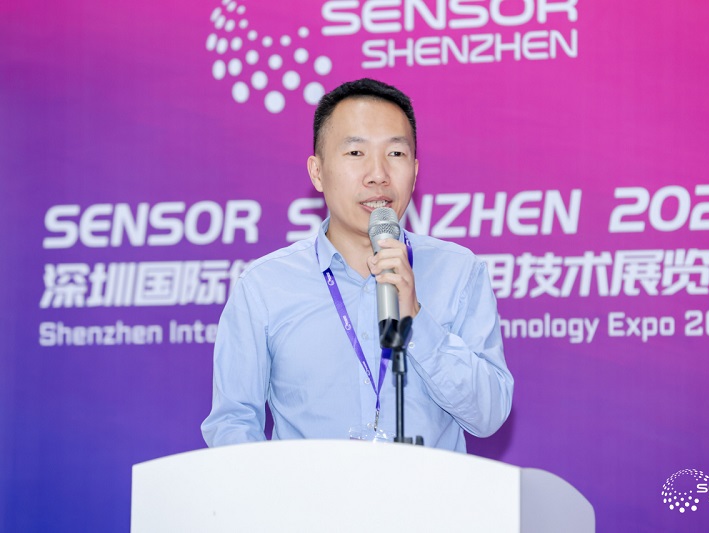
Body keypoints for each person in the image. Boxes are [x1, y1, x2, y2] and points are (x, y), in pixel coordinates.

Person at [201, 78, 513, 451]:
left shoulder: (459, 272)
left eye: (395, 153)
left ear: (415, 171)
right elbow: (233, 424)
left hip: (426, 490)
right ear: (317, 172)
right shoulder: (265, 286)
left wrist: (416, 318)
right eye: (355, 152)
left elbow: (488, 415)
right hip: (308, 491)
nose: (378, 174)